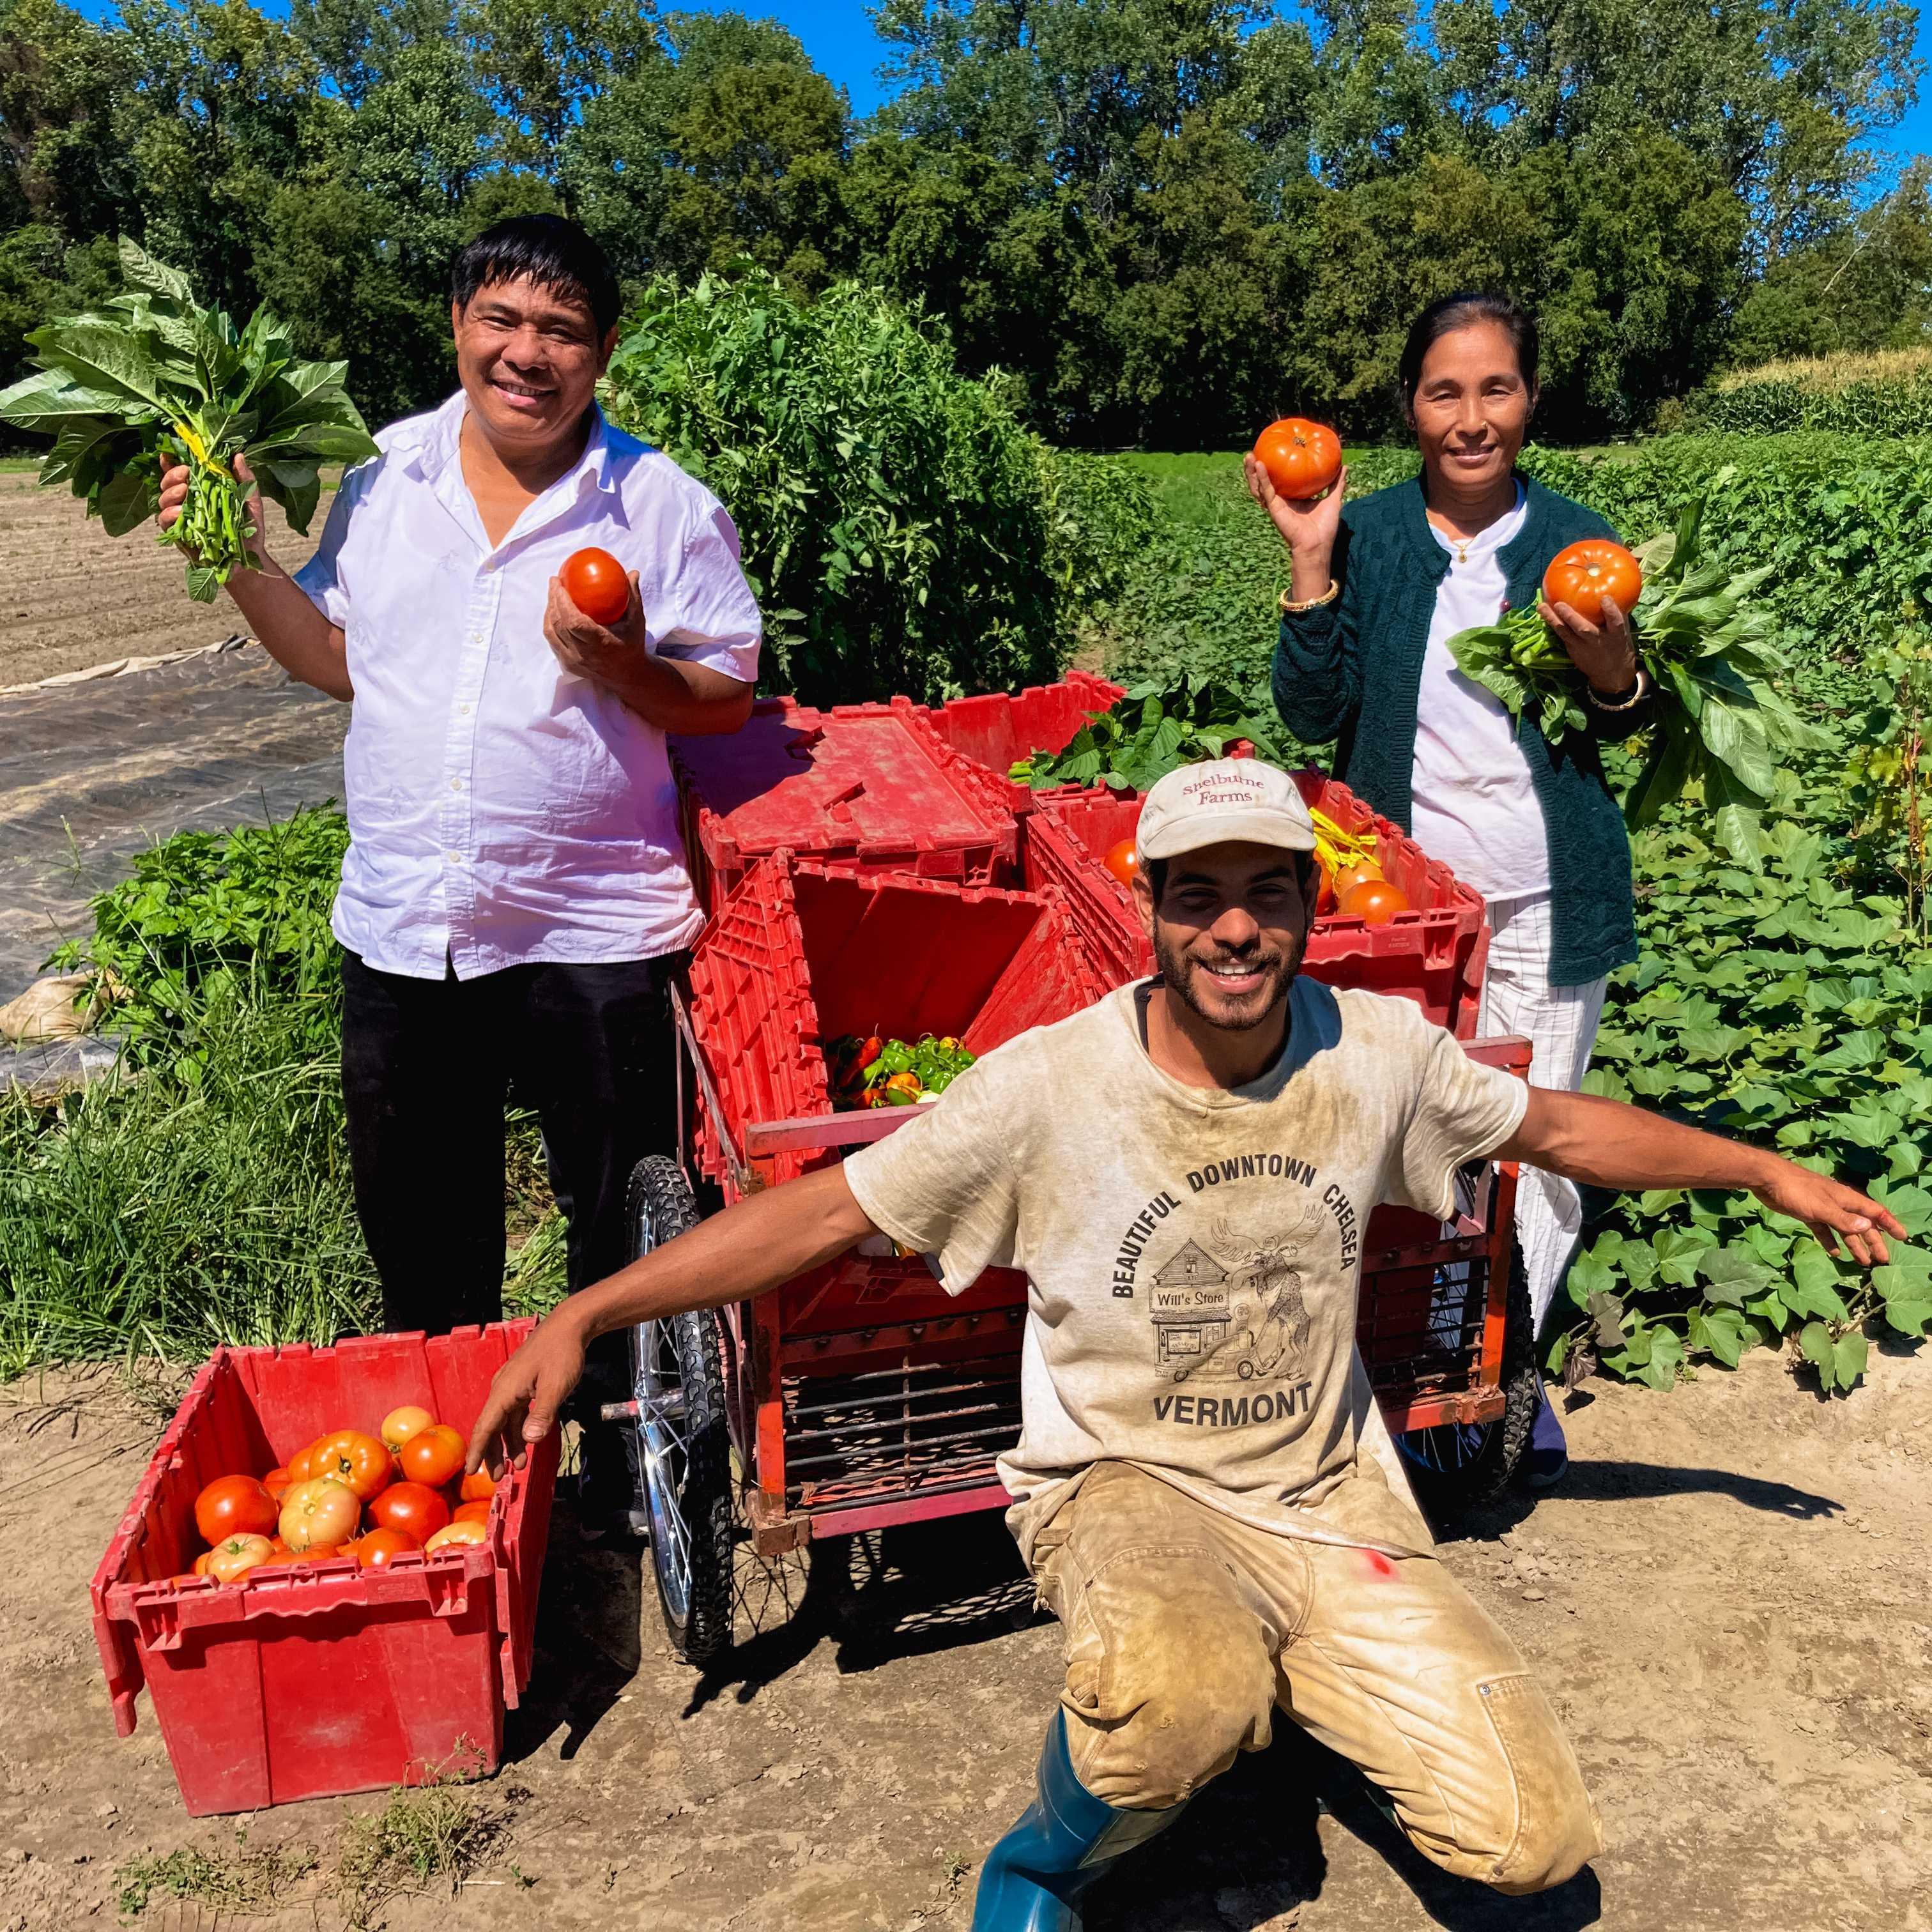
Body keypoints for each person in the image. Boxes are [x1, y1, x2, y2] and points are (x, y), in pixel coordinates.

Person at [463, 758, 1899, 1929]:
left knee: (1530, 1849)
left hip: (1332, 1503)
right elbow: (830, 1211)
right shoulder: (1051, 1086)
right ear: (1151, 909)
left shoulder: (1377, 1051)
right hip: (1123, 1484)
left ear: (1304, 906)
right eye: (1199, 897)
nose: (1234, 930)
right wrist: (588, 1313)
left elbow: (1561, 1127)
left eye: (1266, 895)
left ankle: (1291, 1681)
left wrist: (1761, 1168)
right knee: (1175, 1704)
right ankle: (1042, 1859)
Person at [158, 216, 760, 1517]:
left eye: (562, 330)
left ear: (603, 352)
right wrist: (234, 558)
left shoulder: (660, 504)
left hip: (597, 926)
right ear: (457, 325)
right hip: (406, 927)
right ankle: (458, 1476)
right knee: (422, 1230)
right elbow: (337, 658)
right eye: (503, 320)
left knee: (621, 1223)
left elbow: (723, 695)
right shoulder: (385, 479)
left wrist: (628, 674)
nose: (527, 353)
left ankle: (619, 1472)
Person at [1255, 291, 1647, 1485]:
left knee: (1536, 1136)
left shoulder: (1580, 537)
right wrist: (1311, 564)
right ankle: (1390, 1361)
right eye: (1445, 392)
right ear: (1411, 408)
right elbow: (1312, 719)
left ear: (1529, 399)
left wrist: (1611, 664)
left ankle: (1500, 1374)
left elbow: (1624, 722)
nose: (1472, 418)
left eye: (1496, 389)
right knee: (1395, 1136)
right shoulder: (1367, 534)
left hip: (1545, 893)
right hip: (1405, 909)